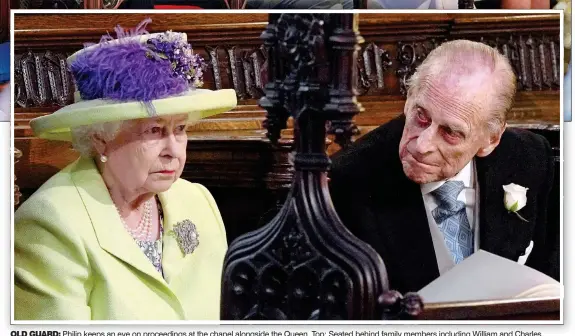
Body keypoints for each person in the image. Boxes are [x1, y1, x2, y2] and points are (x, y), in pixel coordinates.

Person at [14, 20, 237, 320]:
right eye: (155, 131)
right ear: (100, 140)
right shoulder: (49, 223)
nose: (173, 150)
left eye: (180, 128)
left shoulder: (198, 201)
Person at [329, 40, 557, 294]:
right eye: (421, 116)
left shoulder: (529, 157)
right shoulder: (348, 181)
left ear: (490, 140)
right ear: (409, 99)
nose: (422, 145)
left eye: (450, 132)